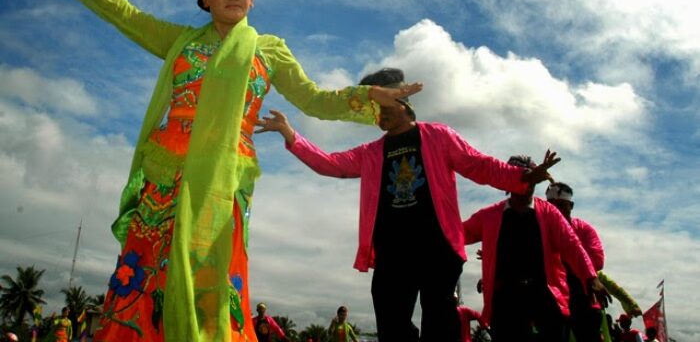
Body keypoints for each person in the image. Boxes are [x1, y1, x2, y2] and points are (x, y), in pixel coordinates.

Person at [27, 0, 421, 342]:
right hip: (167, 172)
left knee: (211, 269)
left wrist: (371, 96)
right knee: (148, 267)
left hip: (224, 180)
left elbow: (314, 99)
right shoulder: (180, 41)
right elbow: (128, 17)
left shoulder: (269, 51)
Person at [256, 68, 559, 342]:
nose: (376, 113)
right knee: (391, 326)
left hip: (437, 250)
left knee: (440, 323)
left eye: (380, 104)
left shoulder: (438, 136)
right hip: (392, 253)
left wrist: (522, 177)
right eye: (372, 107)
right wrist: (291, 135)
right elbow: (330, 164)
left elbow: (479, 164)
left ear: (402, 102)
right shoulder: (372, 152)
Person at [462, 156, 611, 342]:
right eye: (520, 178)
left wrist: (591, 277)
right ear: (506, 183)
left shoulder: (549, 214)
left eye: (531, 179)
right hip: (506, 298)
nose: (524, 186)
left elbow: (571, 244)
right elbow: (460, 232)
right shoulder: (490, 216)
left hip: (545, 294)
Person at [546, 182, 605, 342]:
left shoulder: (584, 229)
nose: (556, 209)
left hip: (583, 300)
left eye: (561, 205)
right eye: (551, 205)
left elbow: (597, 261)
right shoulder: (542, 231)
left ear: (571, 205)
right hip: (552, 301)